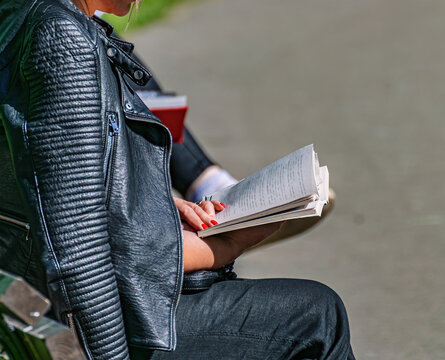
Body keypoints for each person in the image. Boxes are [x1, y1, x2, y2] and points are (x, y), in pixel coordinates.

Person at [0, 0, 355, 359]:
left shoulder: (24, 15)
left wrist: (154, 204)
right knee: (317, 316)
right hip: (90, 329)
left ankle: (207, 181)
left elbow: (51, 192)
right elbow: (80, 253)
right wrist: (224, 247)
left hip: (41, 303)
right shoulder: (61, 38)